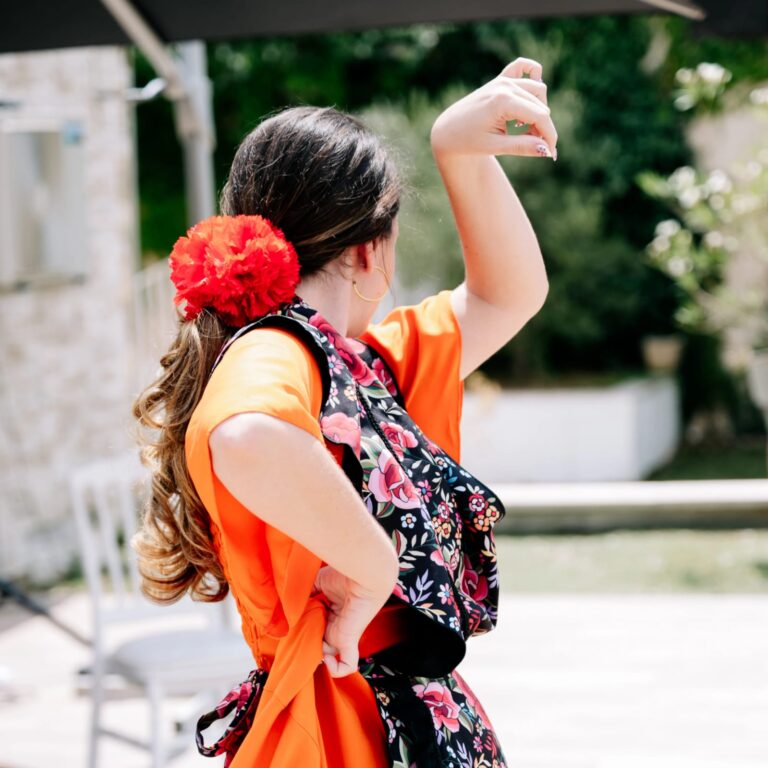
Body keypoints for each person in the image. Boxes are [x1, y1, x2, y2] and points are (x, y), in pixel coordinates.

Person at [132, 55, 555, 768]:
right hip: (336, 723)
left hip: (370, 715)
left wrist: (460, 149)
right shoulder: (278, 351)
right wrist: (371, 564)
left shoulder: (361, 370)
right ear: (371, 250)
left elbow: (506, 296)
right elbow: (245, 436)